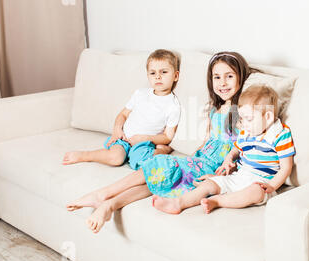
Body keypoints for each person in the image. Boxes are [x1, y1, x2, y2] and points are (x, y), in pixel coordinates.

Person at [66, 51, 252, 233]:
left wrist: (224, 176)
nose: (222, 83)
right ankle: (109, 205)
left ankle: (104, 193)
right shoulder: (215, 108)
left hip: (213, 168)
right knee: (154, 180)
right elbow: (209, 141)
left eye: (229, 76)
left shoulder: (242, 111)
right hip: (200, 160)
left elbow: (244, 148)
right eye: (217, 77)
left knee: (157, 164)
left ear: (241, 77)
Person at [153, 84, 296, 214]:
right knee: (210, 184)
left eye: (249, 119)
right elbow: (236, 149)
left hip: (261, 182)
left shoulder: (279, 134)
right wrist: (229, 158)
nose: (244, 124)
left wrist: (271, 186)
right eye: (242, 119)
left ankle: (217, 201)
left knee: (255, 192)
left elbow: (286, 167)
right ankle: (179, 203)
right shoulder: (246, 131)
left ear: (269, 117)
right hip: (239, 176)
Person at [62, 49, 181, 170]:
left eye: (164, 72)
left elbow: (167, 136)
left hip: (144, 144)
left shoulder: (173, 105)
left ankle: (162, 151)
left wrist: (145, 138)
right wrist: (117, 129)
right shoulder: (140, 94)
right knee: (116, 158)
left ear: (175, 76)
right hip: (123, 138)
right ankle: (85, 155)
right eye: (152, 73)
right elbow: (123, 115)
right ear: (147, 76)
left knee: (146, 165)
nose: (158, 77)